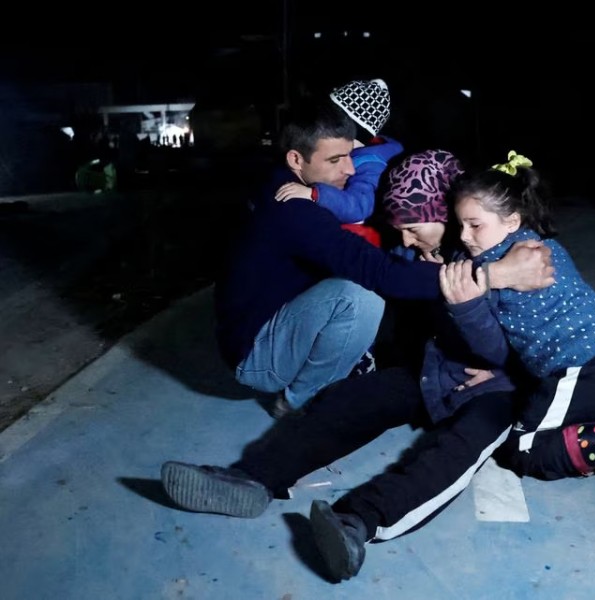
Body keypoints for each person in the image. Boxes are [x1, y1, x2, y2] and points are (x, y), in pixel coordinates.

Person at [162, 150, 534, 581]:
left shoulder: (513, 253)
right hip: (437, 371)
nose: (406, 242)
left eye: (413, 228)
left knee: (454, 451)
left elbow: (557, 338)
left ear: (444, 213)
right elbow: (409, 329)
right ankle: (251, 478)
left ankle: (357, 522)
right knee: (353, 399)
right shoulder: (427, 257)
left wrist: (507, 369)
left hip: (497, 391)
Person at [216, 101, 554, 418]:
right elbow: (378, 272)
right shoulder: (293, 208)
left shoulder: (289, 183)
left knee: (381, 287)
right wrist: (495, 273)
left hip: (271, 321)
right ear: (295, 160)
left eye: (351, 155)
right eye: (334, 161)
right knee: (360, 298)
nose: (349, 169)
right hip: (258, 356)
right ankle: (299, 405)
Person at [437, 151, 595, 493]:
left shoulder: (489, 270)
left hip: (589, 373)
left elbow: (489, 343)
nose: (464, 235)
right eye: (459, 224)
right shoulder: (544, 246)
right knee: (560, 409)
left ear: (511, 220)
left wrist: (463, 292)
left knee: (521, 449)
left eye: (475, 225)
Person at [262, 78, 399, 248]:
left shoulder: (371, 164)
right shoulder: (363, 154)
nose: (349, 170)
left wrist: (314, 194)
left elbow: (358, 208)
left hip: (362, 238)